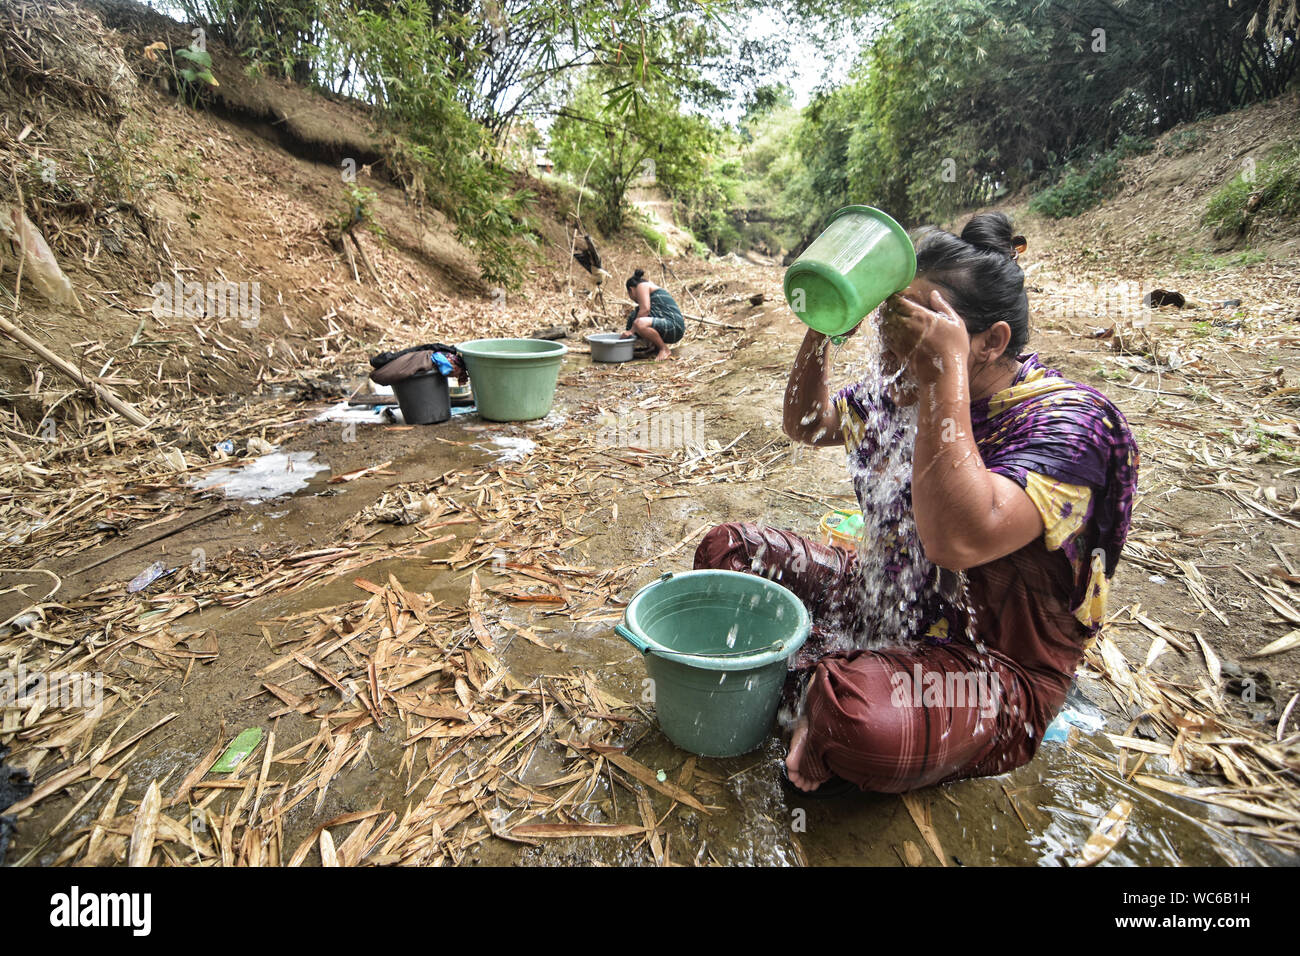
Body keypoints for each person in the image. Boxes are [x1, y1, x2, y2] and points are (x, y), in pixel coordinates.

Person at [693, 212, 1139, 794]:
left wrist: (939, 377)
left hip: (994, 666)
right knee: (727, 553)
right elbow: (805, 422)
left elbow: (958, 538)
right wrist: (829, 322)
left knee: (858, 721)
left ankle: (829, 696)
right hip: (885, 593)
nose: (898, 332)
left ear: (991, 342)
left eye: (922, 318)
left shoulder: (1072, 423)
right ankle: (828, 685)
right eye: (893, 311)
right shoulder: (902, 391)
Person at [621, 268, 685, 361]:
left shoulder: (641, 286)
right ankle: (653, 346)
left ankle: (664, 349)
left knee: (639, 323)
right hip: (670, 325)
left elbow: (645, 310)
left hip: (674, 326)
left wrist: (631, 331)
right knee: (634, 317)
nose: (632, 299)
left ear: (631, 290)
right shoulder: (648, 289)